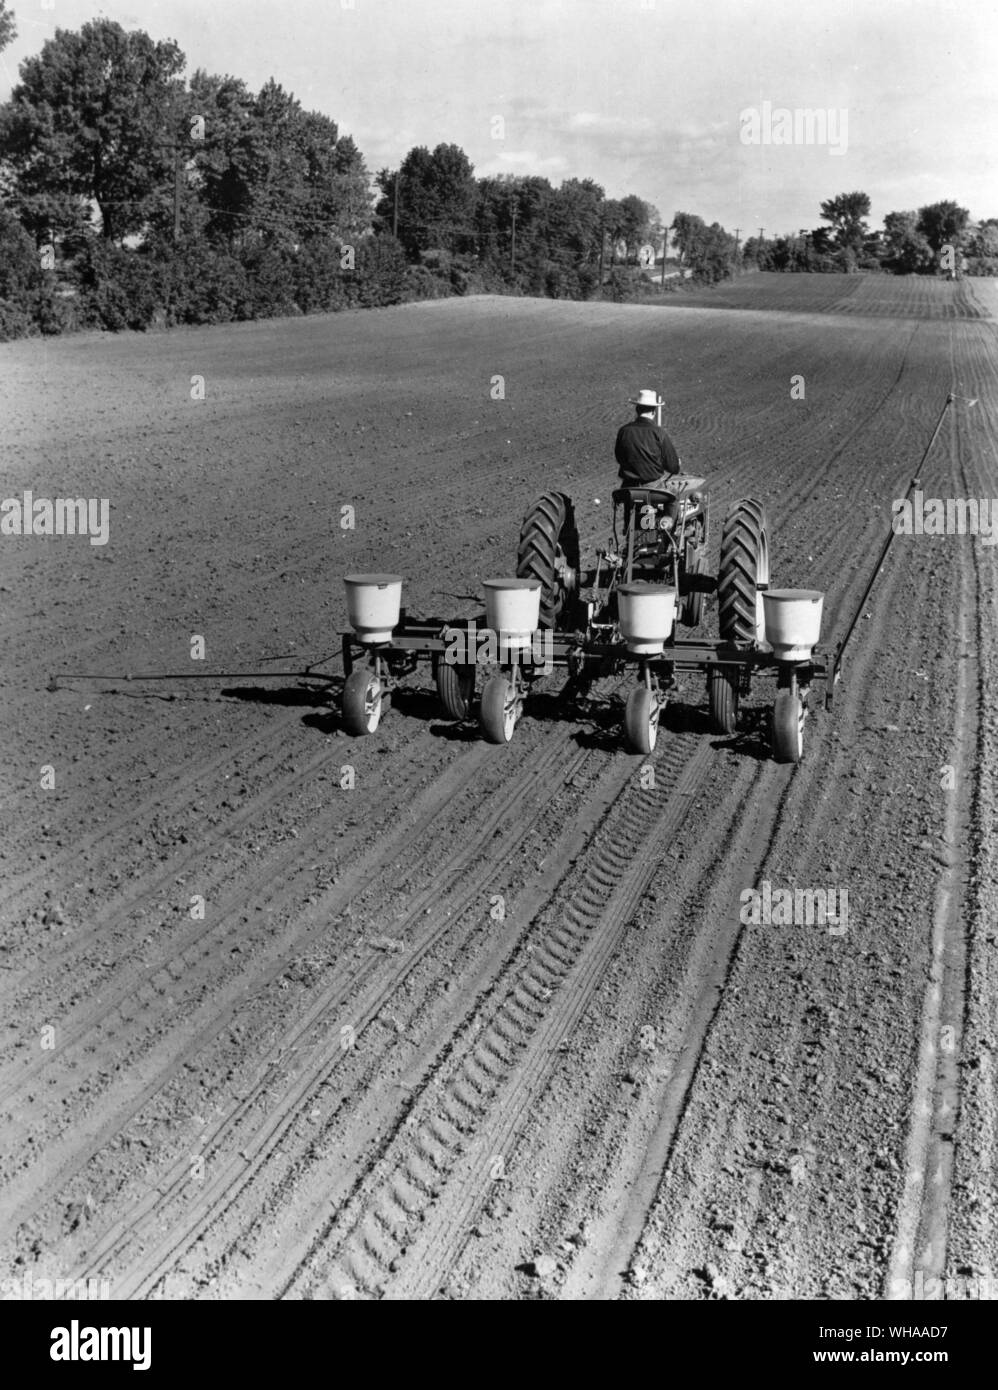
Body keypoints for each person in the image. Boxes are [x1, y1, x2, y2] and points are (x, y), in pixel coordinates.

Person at [614, 389, 682, 488]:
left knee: (619, 500)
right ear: (653, 412)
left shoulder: (624, 431)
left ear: (637, 410)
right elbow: (672, 466)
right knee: (674, 498)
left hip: (628, 487)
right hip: (653, 488)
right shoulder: (659, 433)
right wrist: (676, 465)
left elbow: (619, 457)